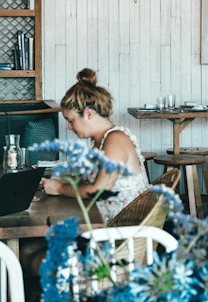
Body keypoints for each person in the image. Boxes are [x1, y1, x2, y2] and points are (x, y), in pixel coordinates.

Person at [41, 68, 148, 221]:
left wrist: (59, 188)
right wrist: (66, 181)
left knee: (35, 241)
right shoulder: (99, 141)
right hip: (102, 221)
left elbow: (99, 190)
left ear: (89, 114)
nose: (69, 127)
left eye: (71, 121)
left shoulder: (115, 140)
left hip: (123, 230)